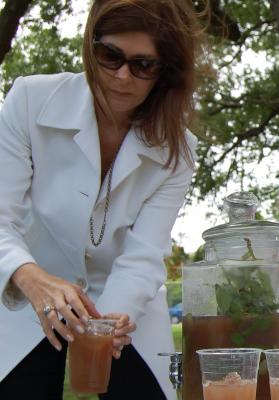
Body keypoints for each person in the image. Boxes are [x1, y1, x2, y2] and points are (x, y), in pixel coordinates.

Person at [0, 0, 203, 398]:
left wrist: (106, 324)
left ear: (165, 72)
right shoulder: (28, 101)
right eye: (109, 56)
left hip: (122, 306)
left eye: (142, 65)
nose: (122, 76)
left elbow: (144, 254)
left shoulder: (179, 151)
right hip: (27, 295)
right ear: (90, 47)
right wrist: (31, 277)